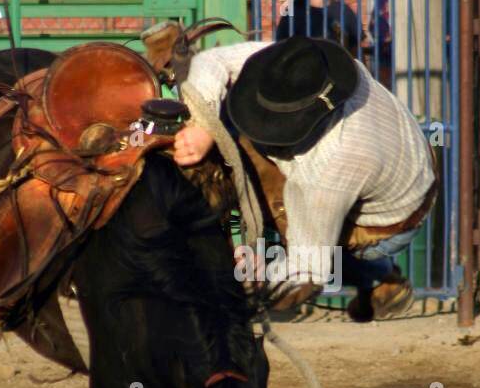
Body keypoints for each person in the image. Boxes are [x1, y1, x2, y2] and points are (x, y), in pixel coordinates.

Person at [172, 34, 436, 322]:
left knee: (308, 227)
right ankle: (385, 282)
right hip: (406, 154)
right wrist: (203, 126)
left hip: (390, 220)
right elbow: (212, 60)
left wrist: (244, 281)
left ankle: (380, 275)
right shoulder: (313, 67)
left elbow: (307, 270)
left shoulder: (333, 163)